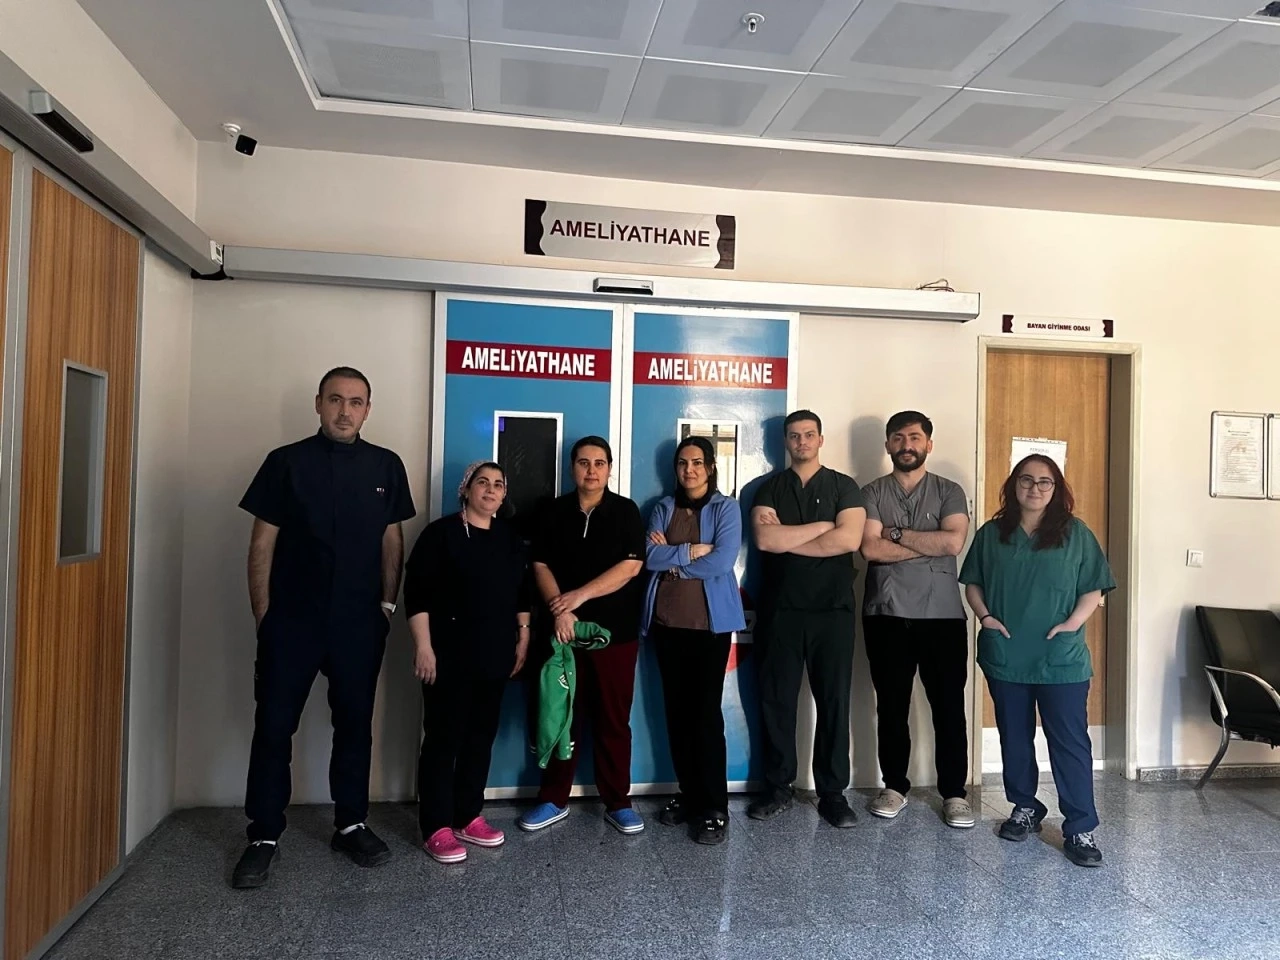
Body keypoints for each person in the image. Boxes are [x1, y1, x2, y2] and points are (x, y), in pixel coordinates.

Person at [232, 366, 415, 889]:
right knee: (273, 728)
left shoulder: (386, 465)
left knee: (355, 727)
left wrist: (386, 607)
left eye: (355, 402)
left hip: (359, 623)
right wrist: (265, 617)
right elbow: (261, 543)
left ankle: (351, 824)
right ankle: (263, 835)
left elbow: (392, 541)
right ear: (318, 404)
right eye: (335, 400)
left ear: (367, 410)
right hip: (291, 622)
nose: (344, 411)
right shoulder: (285, 462)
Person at [960, 455, 1114, 868]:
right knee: (1014, 735)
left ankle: (1080, 826)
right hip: (1007, 652)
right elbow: (973, 582)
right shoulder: (992, 534)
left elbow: (1094, 588)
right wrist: (985, 617)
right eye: (1026, 480)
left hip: (1060, 657)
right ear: (1013, 485)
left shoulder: (1076, 534)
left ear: (1056, 488)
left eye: (1045, 482)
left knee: (1070, 741)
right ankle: (1025, 807)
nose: (1035, 488)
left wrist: (1072, 624)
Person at [516, 436, 647, 835]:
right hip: (561, 633)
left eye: (599, 463)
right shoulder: (552, 511)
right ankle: (553, 799)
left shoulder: (626, 511)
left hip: (614, 635)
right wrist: (561, 610)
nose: (591, 470)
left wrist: (579, 597)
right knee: (560, 716)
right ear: (572, 467)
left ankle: (618, 802)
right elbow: (539, 563)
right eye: (584, 462)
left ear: (609, 469)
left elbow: (631, 567)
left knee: (613, 720)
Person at [404, 462, 531, 864]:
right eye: (483, 483)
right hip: (447, 657)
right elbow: (417, 594)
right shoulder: (439, 535)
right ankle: (436, 826)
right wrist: (423, 647)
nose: (491, 490)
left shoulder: (509, 539)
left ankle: (467, 816)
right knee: (443, 740)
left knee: (480, 738)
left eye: (498, 485)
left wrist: (523, 635)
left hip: (494, 656)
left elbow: (522, 594)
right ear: (467, 490)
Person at [748, 410, 866, 828]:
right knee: (776, 700)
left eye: (809, 435)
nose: (802, 442)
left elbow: (848, 539)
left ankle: (832, 794)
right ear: (786, 441)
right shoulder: (769, 488)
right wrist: (821, 527)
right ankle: (778, 788)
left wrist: (790, 539)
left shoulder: (843, 486)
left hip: (832, 611)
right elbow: (765, 539)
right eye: (794, 436)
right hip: (780, 610)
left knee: (833, 700)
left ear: (820, 439)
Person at [859, 412, 974, 828]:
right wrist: (927, 544)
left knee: (948, 708)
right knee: (891, 707)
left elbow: (953, 542)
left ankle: (954, 793)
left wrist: (894, 533)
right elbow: (869, 549)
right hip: (886, 614)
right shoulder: (871, 492)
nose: (906, 444)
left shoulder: (949, 491)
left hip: (942, 617)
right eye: (898, 438)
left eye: (914, 437)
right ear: (888, 445)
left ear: (929, 444)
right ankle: (894, 786)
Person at [642, 437, 746, 845]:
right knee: (677, 714)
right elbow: (649, 557)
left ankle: (714, 806)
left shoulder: (726, 508)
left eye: (697, 462)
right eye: (683, 463)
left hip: (709, 629)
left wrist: (675, 564)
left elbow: (722, 560)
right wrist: (690, 551)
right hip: (667, 626)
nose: (690, 470)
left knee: (704, 716)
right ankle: (688, 794)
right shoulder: (663, 508)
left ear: (710, 467)